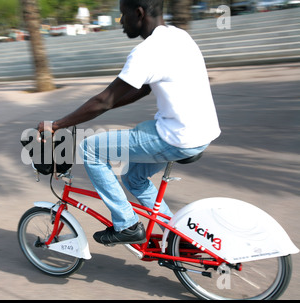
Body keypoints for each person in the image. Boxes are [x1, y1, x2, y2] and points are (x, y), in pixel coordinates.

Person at [36, 0, 220, 246]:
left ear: (139, 13)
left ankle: (127, 224)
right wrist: (106, 106)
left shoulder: (148, 51)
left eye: (123, 15)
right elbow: (142, 90)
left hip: (176, 137)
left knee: (90, 148)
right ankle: (174, 235)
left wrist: (57, 125)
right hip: (201, 133)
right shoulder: (179, 36)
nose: (121, 21)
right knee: (133, 178)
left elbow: (103, 100)